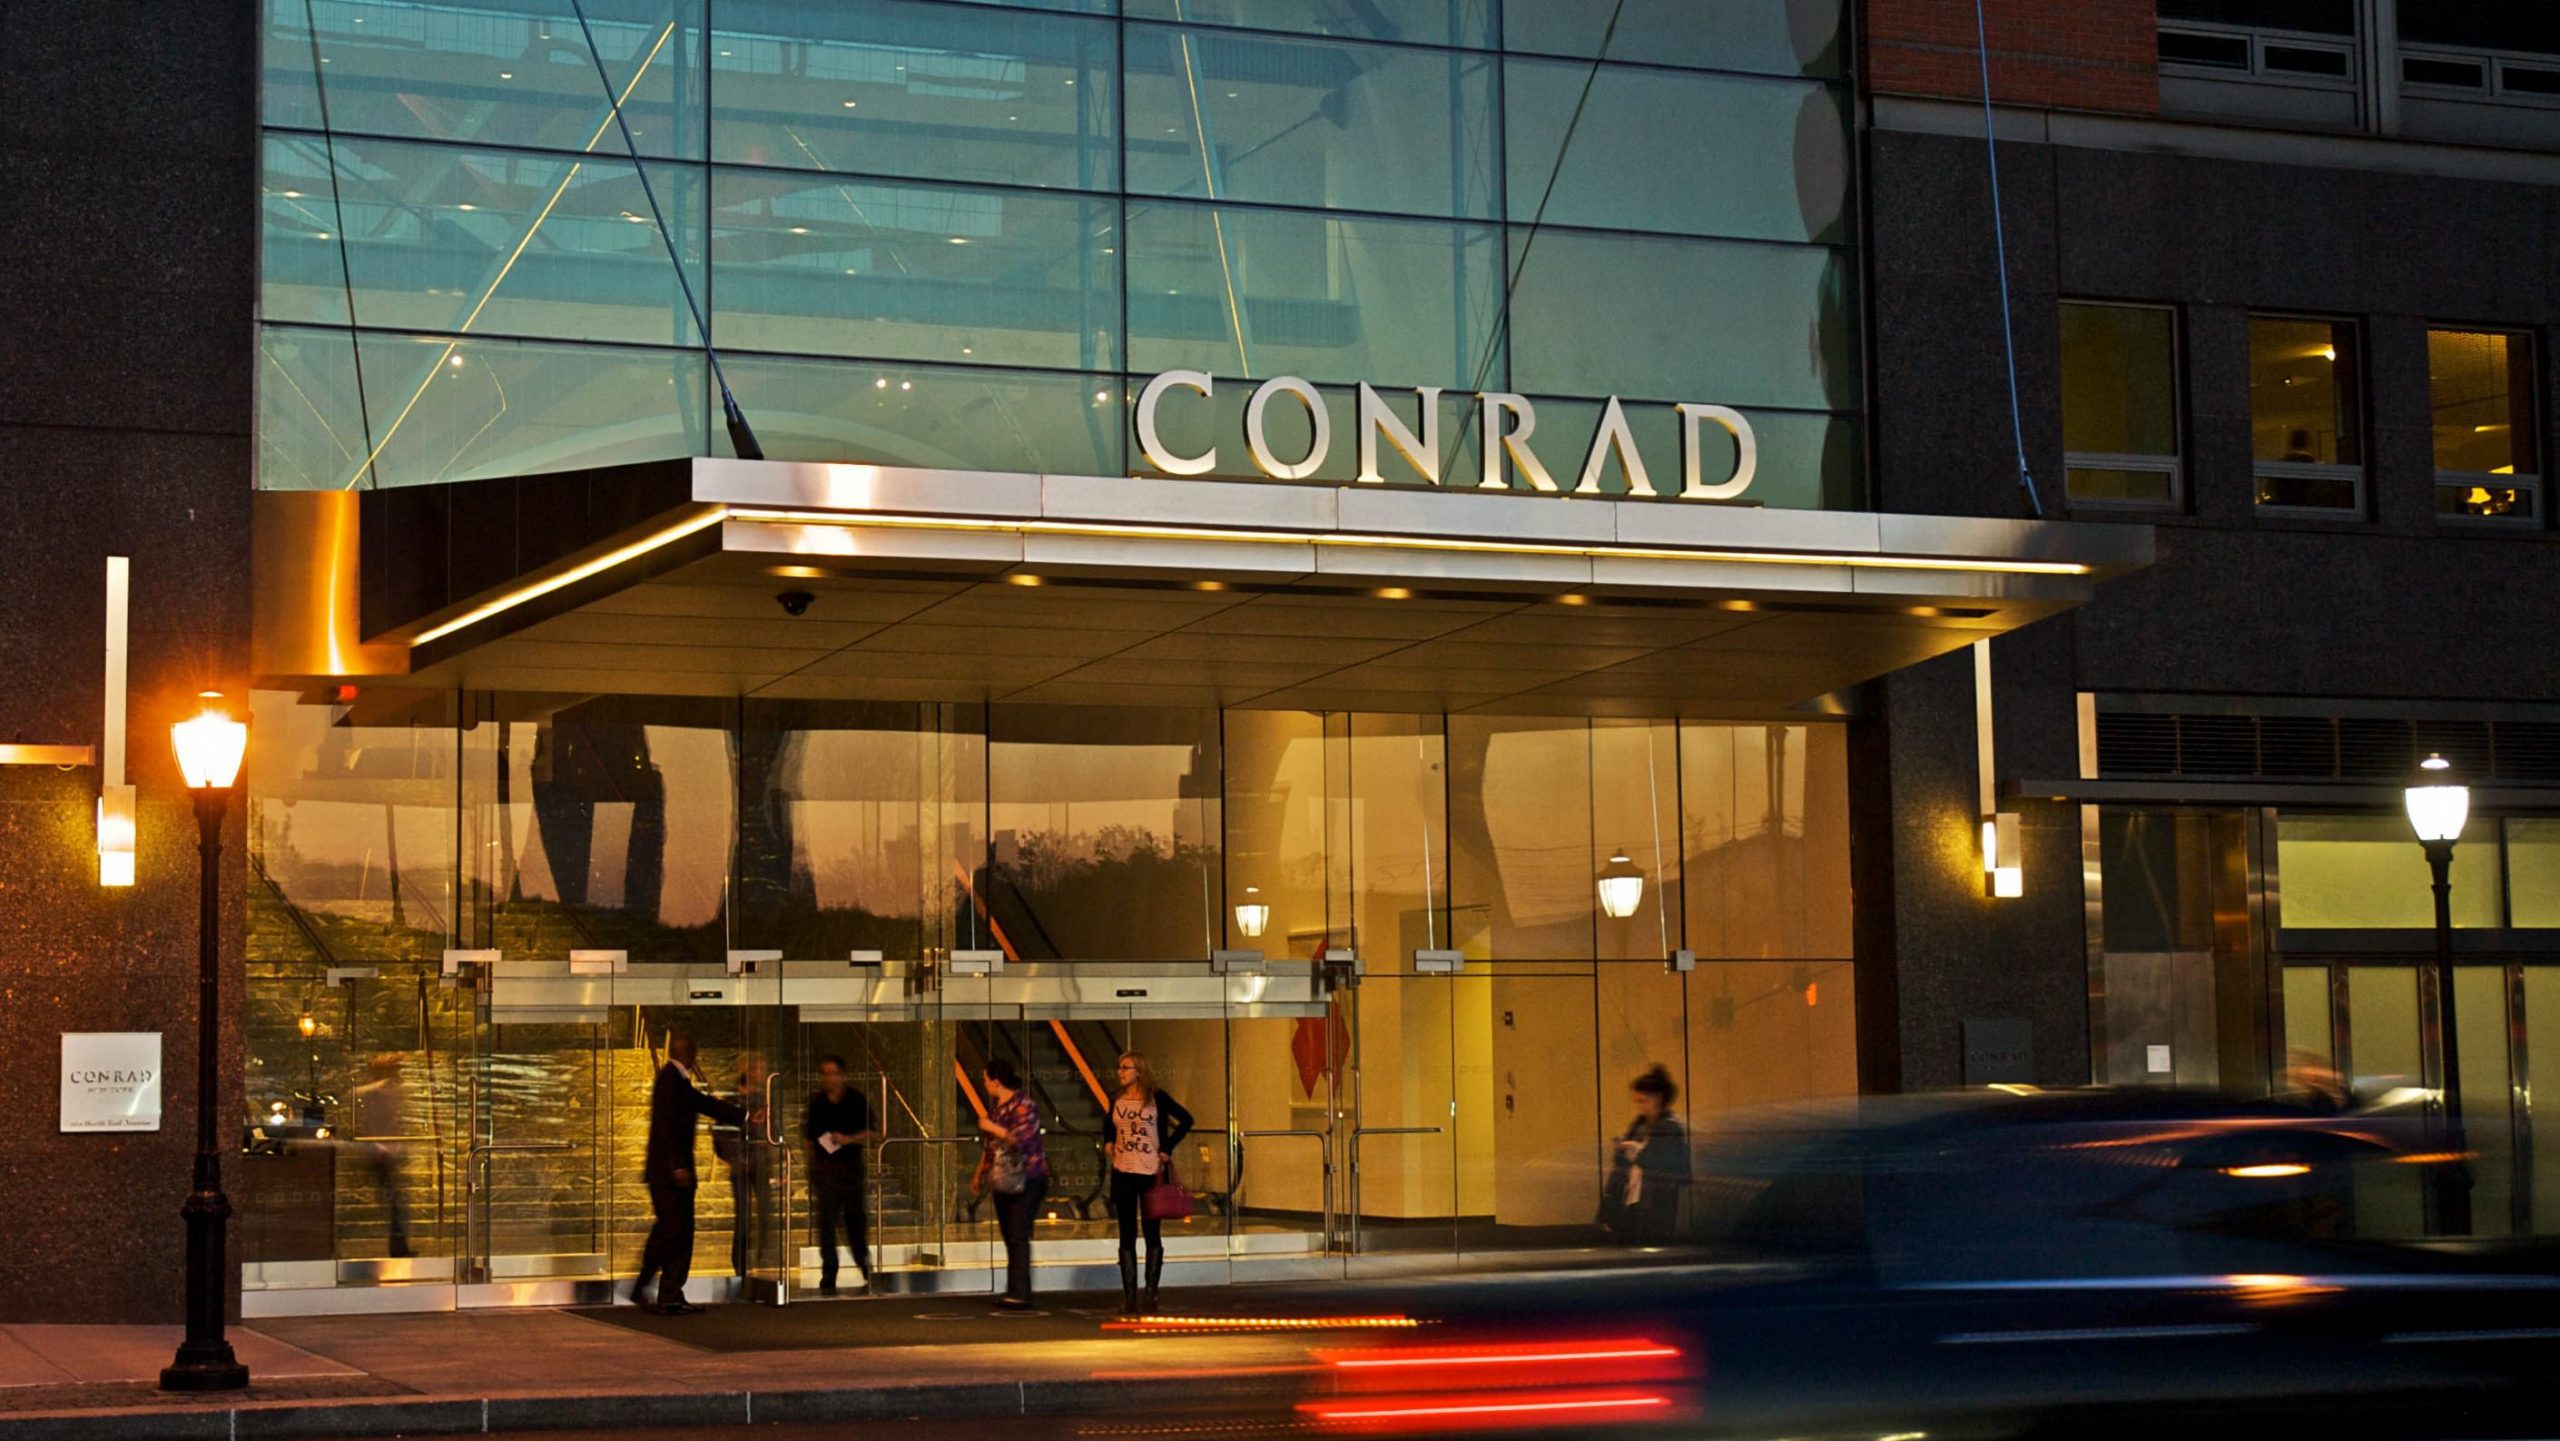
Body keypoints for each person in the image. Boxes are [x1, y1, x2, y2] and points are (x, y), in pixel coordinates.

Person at [632, 1032, 746, 1314]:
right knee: (674, 1232)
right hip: (671, 1174)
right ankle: (656, 1288)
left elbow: (702, 1103)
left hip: (668, 1173)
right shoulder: (671, 1080)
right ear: (691, 1053)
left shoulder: (676, 1079)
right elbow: (667, 1126)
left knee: (674, 1232)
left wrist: (743, 1117)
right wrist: (676, 1165)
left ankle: (667, 1293)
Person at [1104, 1050, 1194, 1315]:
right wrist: (1109, 1143)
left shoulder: (1157, 1099)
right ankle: (1129, 1297)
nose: (1120, 1072)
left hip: (1150, 1173)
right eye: (1119, 1067)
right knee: (1127, 1232)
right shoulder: (1116, 1099)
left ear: (1139, 1071)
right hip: (1123, 1172)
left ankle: (1151, 1294)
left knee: (1152, 1231)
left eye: (1126, 1067)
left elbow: (1186, 1120)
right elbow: (1109, 1126)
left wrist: (1167, 1148)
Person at [975, 1056, 1048, 1310]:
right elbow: (990, 1147)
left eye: (985, 1080)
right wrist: (979, 1173)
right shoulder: (997, 1108)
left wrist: (991, 1127)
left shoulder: (1023, 1105)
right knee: (1010, 1233)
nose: (984, 1084)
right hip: (1003, 1178)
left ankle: (1020, 1293)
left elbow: (1020, 1139)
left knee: (1018, 1232)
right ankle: (1015, 1289)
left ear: (996, 1081)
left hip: (1027, 1176)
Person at [804, 1054, 880, 1296]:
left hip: (850, 1168)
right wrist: (811, 1166)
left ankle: (864, 1265)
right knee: (826, 1223)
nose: (829, 1078)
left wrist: (849, 1139)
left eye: (833, 1073)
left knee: (855, 1221)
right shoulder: (817, 1103)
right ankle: (829, 1272)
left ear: (842, 1075)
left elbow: (874, 1133)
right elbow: (809, 1138)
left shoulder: (856, 1100)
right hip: (825, 1169)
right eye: (825, 1073)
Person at [1602, 1064, 1689, 1246]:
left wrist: (1637, 1153)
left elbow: (1667, 1166)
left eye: (1643, 1101)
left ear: (1657, 1098)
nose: (1639, 1106)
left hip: (1655, 1202)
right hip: (1633, 1198)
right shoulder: (1639, 1126)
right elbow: (1622, 1165)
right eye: (1637, 1102)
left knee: (1649, 1244)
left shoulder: (1670, 1128)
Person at [349, 1052, 412, 1259]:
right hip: (381, 1153)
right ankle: (399, 1249)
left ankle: (399, 1248)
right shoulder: (377, 1092)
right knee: (395, 1204)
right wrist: (379, 1145)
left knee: (396, 1204)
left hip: (384, 1151)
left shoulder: (383, 1091)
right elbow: (371, 1118)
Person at [714, 1054, 771, 1280]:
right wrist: (734, 1157)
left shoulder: (765, 1098)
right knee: (744, 1217)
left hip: (761, 1163)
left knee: (765, 1214)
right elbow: (722, 1131)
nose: (760, 1073)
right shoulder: (732, 1099)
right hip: (741, 1165)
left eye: (762, 1069)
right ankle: (740, 1265)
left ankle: (762, 1262)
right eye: (756, 1068)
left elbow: (772, 1131)